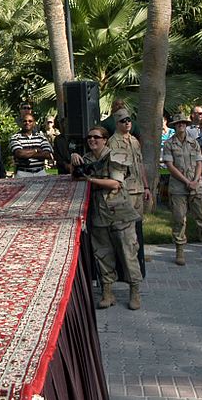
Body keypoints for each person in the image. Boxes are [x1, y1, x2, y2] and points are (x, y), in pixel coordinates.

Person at [71, 126, 143, 311]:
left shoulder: (116, 155)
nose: (92, 140)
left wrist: (91, 181)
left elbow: (115, 184)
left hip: (119, 212)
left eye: (96, 137)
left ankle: (134, 291)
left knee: (128, 252)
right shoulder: (86, 159)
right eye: (89, 137)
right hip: (98, 213)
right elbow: (75, 178)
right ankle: (107, 291)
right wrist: (74, 162)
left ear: (105, 139)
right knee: (102, 253)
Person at [162, 113, 202, 266]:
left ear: (186, 125)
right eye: (178, 124)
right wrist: (186, 181)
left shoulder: (194, 143)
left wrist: (195, 180)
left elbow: (199, 162)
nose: (181, 125)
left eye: (183, 123)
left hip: (196, 186)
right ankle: (180, 251)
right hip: (178, 187)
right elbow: (170, 166)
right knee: (179, 219)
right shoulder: (169, 144)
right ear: (174, 126)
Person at [107, 108, 150, 278]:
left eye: (129, 120)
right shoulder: (113, 142)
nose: (127, 123)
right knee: (125, 232)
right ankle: (126, 270)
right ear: (117, 123)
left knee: (137, 229)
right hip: (125, 192)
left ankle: (137, 264)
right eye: (123, 120)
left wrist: (146, 187)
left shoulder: (134, 141)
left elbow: (140, 165)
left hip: (138, 190)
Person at [9, 111, 53, 177]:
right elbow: (19, 154)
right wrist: (36, 151)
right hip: (23, 173)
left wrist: (26, 154)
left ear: (34, 123)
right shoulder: (15, 138)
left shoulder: (41, 137)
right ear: (21, 123)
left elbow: (48, 154)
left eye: (30, 121)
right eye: (25, 121)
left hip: (40, 172)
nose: (27, 123)